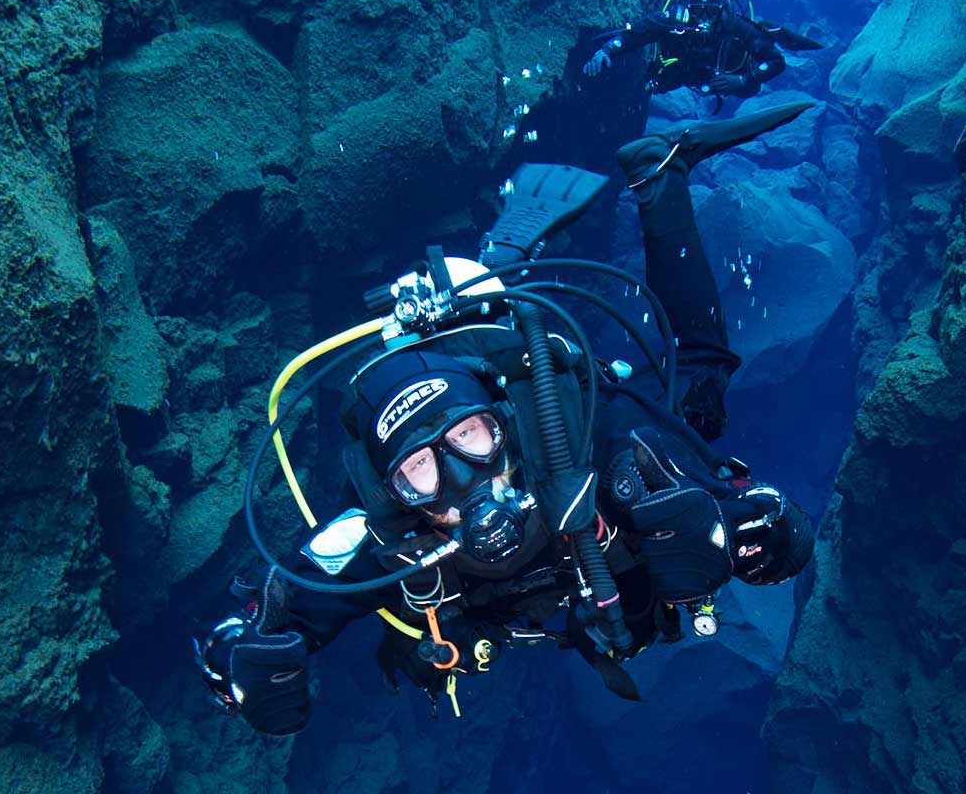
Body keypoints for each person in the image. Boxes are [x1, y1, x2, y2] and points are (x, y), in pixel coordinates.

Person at [198, 103, 818, 734]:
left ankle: (658, 176)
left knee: (700, 390)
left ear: (504, 423)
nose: (461, 478)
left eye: (470, 437)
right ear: (394, 494)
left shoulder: (592, 440)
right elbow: (272, 615)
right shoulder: (388, 542)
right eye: (421, 473)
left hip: (556, 432)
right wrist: (239, 664)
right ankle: (485, 277)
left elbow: (751, 506)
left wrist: (757, 529)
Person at [581, 0, 822, 99]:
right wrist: (606, 51)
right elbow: (635, 34)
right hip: (679, 73)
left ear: (721, 11)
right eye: (698, 12)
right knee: (649, 84)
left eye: (711, 13)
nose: (704, 19)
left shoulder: (734, 26)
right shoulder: (673, 19)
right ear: (689, 9)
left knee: (751, 85)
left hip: (724, 78)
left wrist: (743, 80)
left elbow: (776, 61)